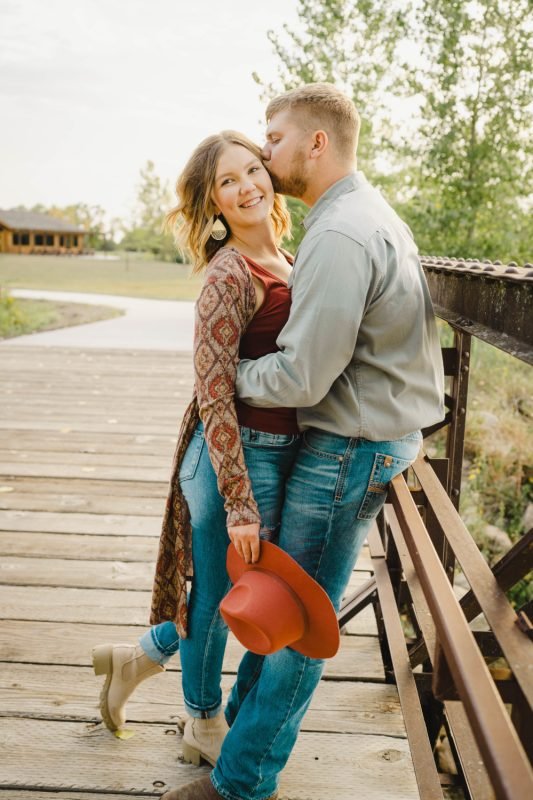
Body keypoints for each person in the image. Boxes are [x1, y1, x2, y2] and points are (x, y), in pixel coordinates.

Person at [163, 84, 445, 800]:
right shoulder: (356, 214)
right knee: (281, 606)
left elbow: (303, 374)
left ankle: (241, 782)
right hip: (359, 437)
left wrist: (226, 375)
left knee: (298, 626)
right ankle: (230, 735)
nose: (265, 154)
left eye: (274, 140)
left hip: (350, 443)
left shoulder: (338, 233)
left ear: (316, 144)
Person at [92, 130, 301, 768]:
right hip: (228, 461)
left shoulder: (288, 258)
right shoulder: (228, 274)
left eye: (251, 172)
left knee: (234, 591)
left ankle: (137, 658)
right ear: (212, 205)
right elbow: (214, 395)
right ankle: (202, 721)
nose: (246, 189)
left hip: (280, 450)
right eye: (227, 184)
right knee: (213, 596)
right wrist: (239, 502)